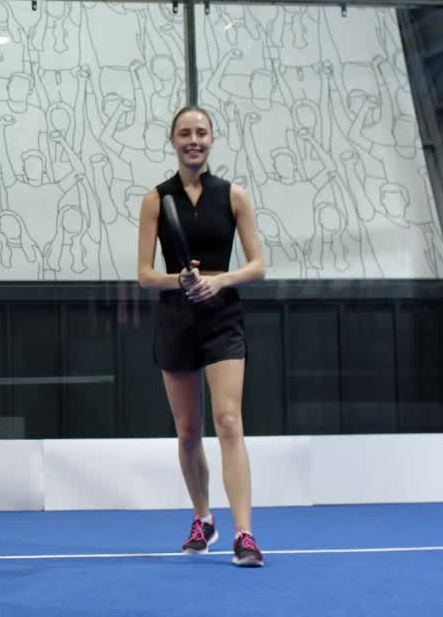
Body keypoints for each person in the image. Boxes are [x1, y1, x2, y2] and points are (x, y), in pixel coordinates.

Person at [135, 106, 266, 568]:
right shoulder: (156, 199)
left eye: (202, 132)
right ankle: (202, 518)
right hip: (177, 320)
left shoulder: (234, 196)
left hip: (223, 319)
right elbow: (146, 274)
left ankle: (245, 534)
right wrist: (181, 282)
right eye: (185, 133)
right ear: (173, 140)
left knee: (228, 421)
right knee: (189, 431)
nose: (194, 139)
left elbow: (258, 266)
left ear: (212, 139)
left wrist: (219, 280)